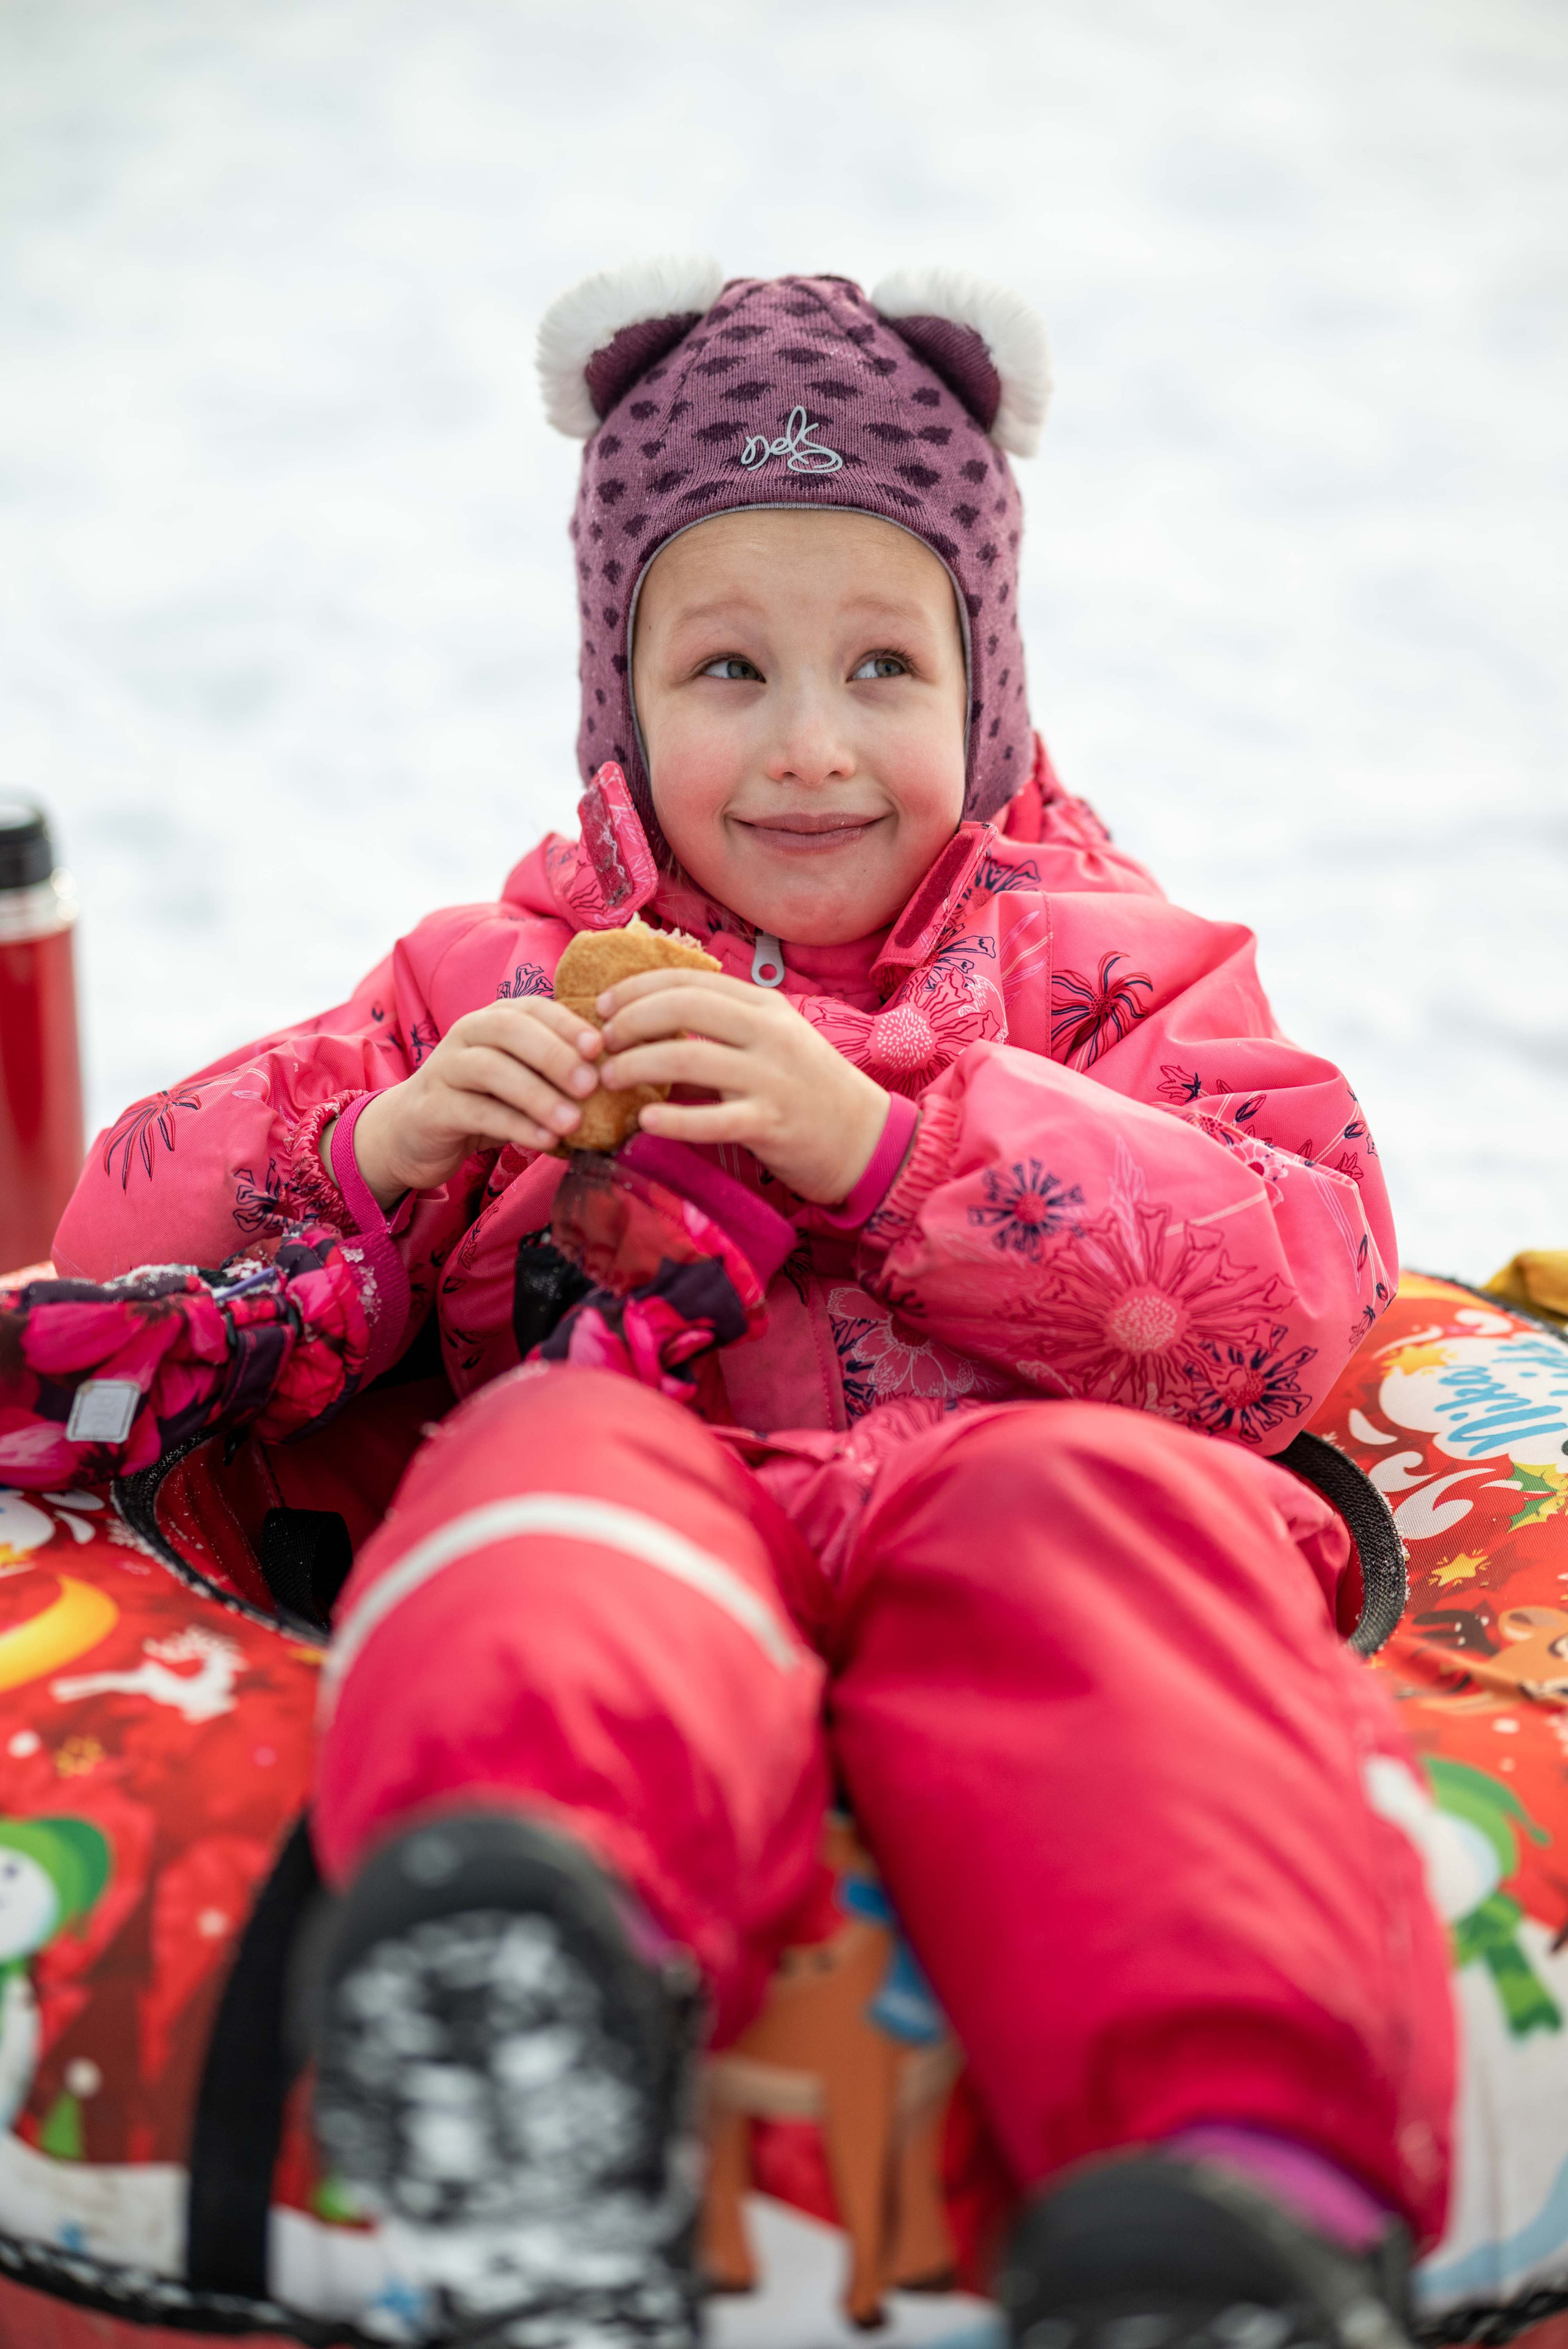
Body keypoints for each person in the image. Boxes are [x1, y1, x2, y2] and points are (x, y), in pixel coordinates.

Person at [54, 265, 1452, 2349]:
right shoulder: (496, 976)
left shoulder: (1112, 968)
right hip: (664, 1498)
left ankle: (1230, 2176)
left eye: (884, 663)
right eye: (727, 667)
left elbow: (1300, 1280)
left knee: (1099, 1534)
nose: (809, 745)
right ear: (619, 699)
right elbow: (114, 1242)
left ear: (987, 684)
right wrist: (381, 1139)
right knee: (538, 1464)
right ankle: (528, 1989)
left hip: (1016, 1487)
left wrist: (892, 1143)